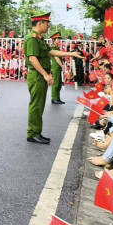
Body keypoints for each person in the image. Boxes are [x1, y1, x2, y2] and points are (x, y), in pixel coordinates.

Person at [24, 13, 84, 144]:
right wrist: (45, 75)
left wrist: (71, 54)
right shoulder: (32, 38)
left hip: (40, 75)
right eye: (47, 23)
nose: (48, 26)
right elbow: (32, 58)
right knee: (36, 105)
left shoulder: (39, 38)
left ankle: (36, 132)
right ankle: (33, 133)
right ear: (39, 23)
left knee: (39, 104)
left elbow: (51, 51)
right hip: (38, 75)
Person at [49, 32, 65, 104]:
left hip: (58, 66)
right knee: (55, 83)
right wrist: (62, 65)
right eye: (57, 39)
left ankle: (58, 98)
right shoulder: (52, 47)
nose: (59, 40)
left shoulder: (57, 47)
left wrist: (62, 64)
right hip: (55, 66)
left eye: (59, 39)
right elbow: (56, 57)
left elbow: (60, 57)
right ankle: (54, 98)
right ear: (53, 39)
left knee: (59, 84)